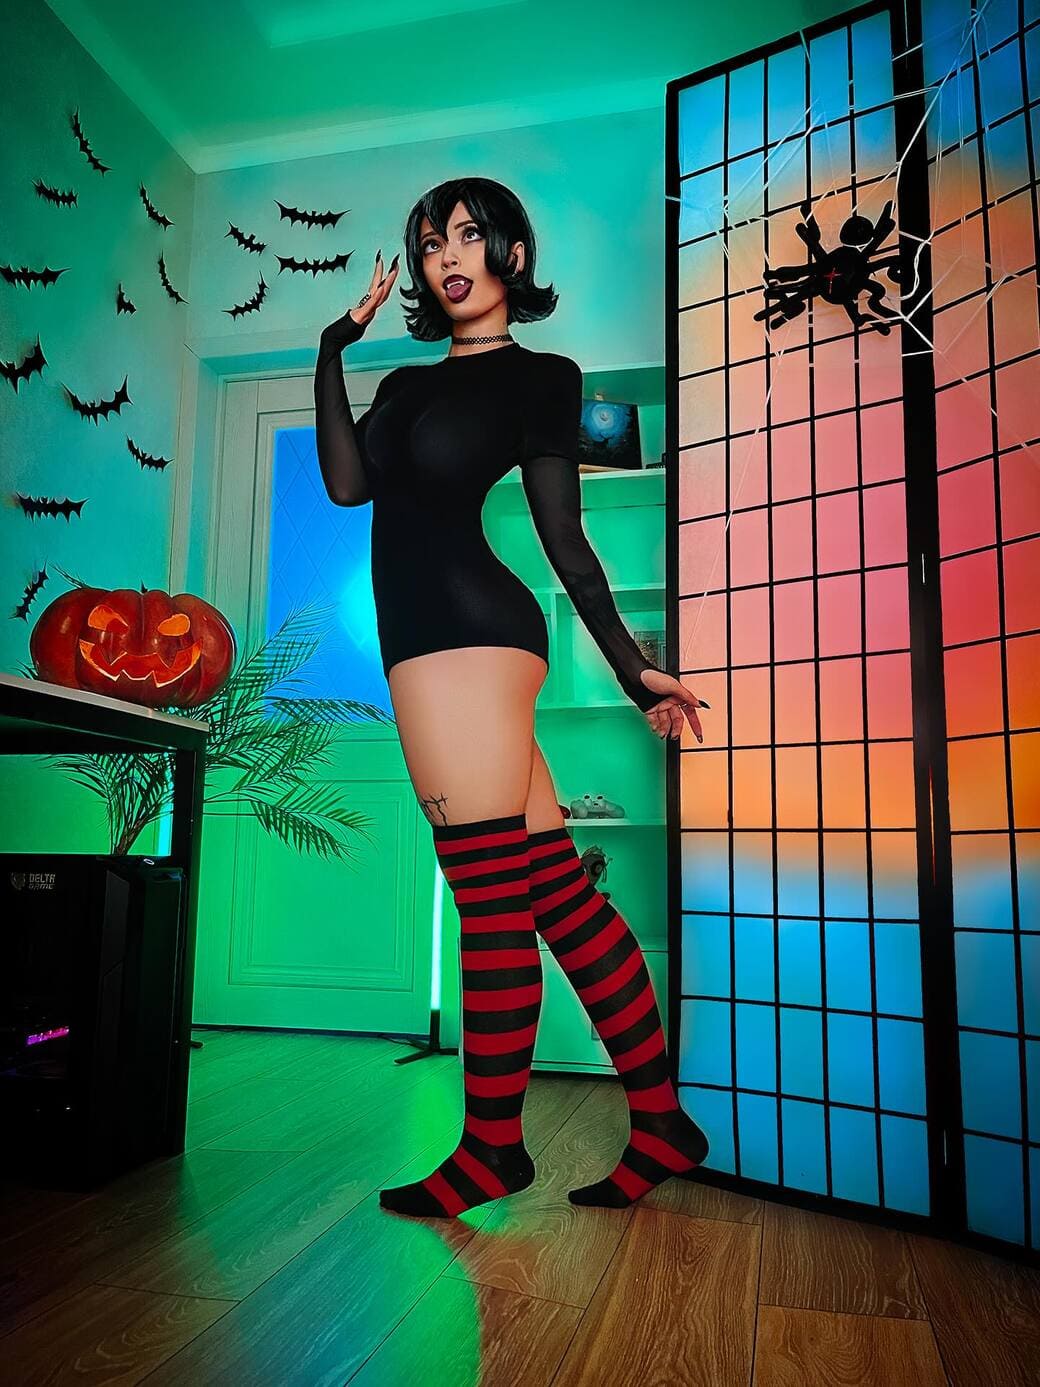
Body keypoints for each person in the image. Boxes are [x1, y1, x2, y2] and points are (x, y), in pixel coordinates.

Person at [314, 176, 710, 1219]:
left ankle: (491, 1150)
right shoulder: (404, 384)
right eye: (430, 241)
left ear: (512, 254)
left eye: (468, 235)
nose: (448, 256)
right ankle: (662, 1124)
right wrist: (332, 348)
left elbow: (564, 540)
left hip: (466, 641)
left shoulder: (542, 377)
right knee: (556, 894)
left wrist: (630, 667)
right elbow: (349, 486)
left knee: (486, 899)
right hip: (432, 644)